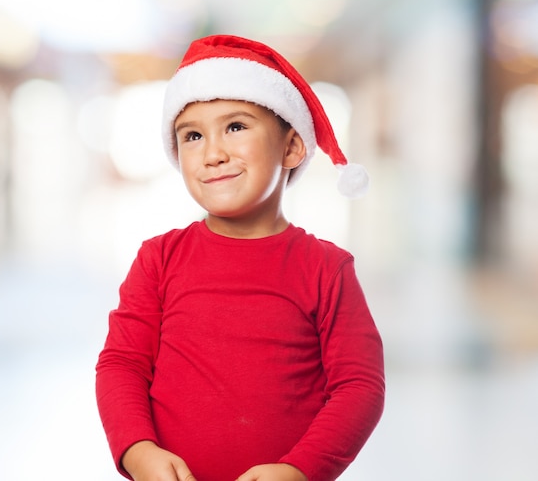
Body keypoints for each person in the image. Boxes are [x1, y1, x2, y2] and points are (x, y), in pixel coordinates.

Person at [95, 34, 385, 481]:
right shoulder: (159, 259)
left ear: (291, 147)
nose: (213, 154)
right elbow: (122, 364)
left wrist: (298, 471)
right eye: (192, 135)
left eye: (236, 127)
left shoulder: (326, 269)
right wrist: (139, 452)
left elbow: (359, 387)